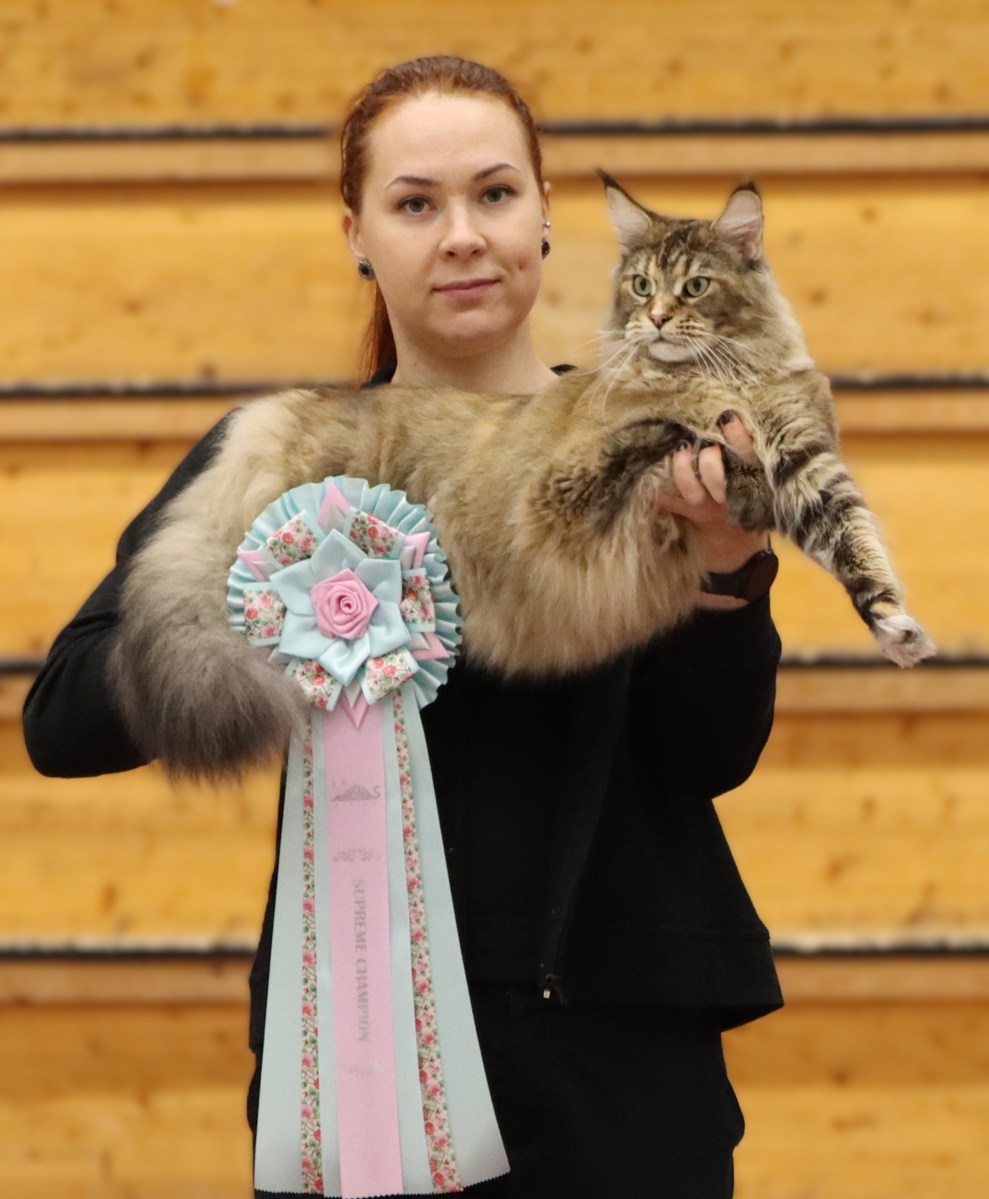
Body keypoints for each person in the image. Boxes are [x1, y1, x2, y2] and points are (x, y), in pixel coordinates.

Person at [23, 55, 782, 1199]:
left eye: (493, 194)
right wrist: (270, 597)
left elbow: (703, 756)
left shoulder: (661, 437)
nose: (462, 236)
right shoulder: (281, 453)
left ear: (542, 214)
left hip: (619, 1069)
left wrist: (727, 567)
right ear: (357, 235)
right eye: (415, 204)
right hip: (358, 1063)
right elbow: (63, 722)